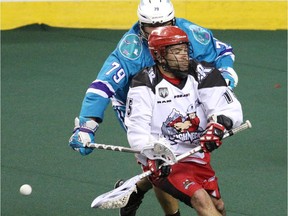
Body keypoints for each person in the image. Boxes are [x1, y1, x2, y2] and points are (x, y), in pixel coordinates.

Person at [69, 0, 239, 215]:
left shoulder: (192, 35)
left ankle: (135, 191)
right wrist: (87, 125)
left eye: (165, 24)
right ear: (141, 26)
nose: (158, 32)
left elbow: (222, 53)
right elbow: (102, 87)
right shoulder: (129, 51)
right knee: (159, 154)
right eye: (151, 27)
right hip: (139, 102)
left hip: (180, 94)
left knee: (176, 153)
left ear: (174, 20)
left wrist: (225, 74)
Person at [124, 25, 243, 216]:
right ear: (160, 56)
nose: (184, 56)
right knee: (200, 199)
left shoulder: (203, 73)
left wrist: (219, 125)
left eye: (185, 50)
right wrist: (152, 156)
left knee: (218, 206)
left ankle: (134, 191)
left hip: (196, 156)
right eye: (177, 52)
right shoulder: (144, 83)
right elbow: (137, 131)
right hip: (164, 159)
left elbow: (230, 108)